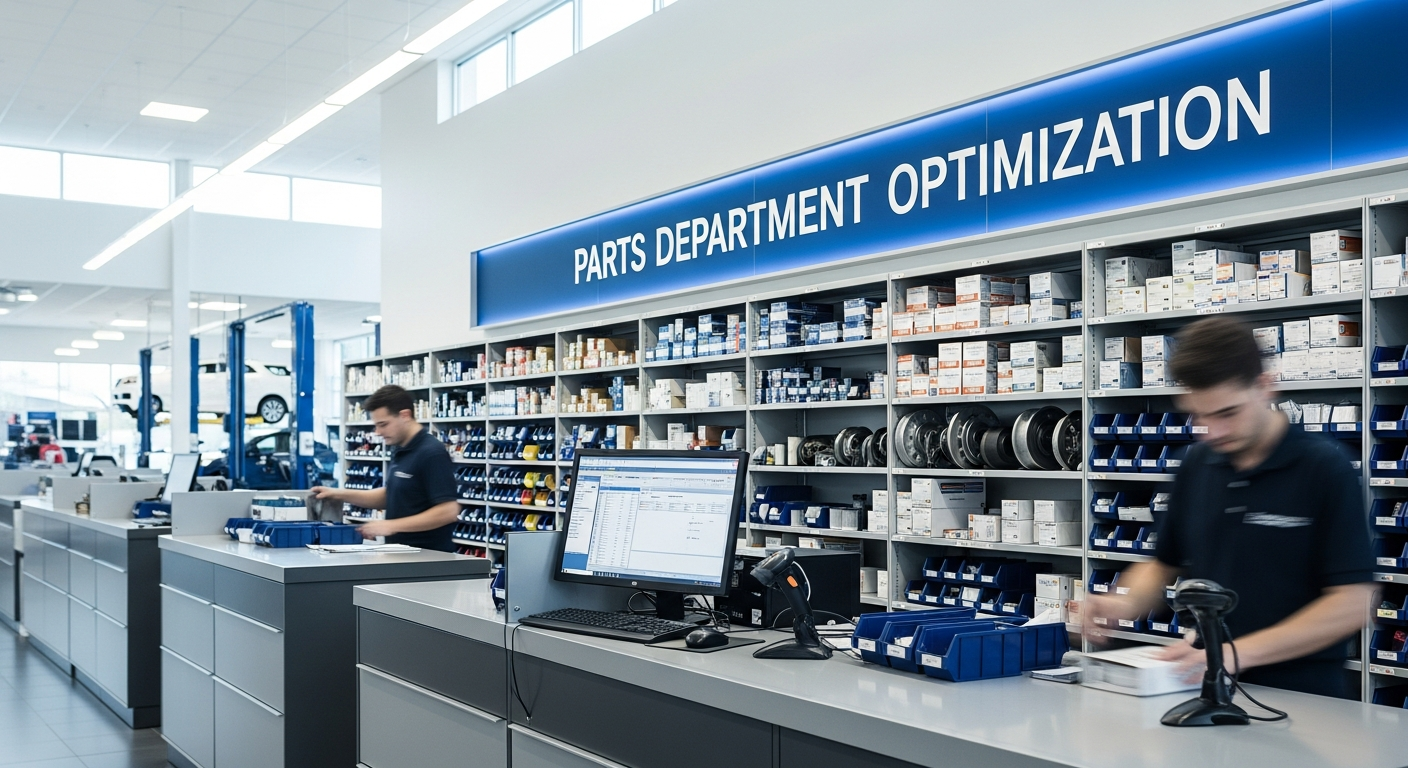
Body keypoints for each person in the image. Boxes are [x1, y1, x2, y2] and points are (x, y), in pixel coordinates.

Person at [1084, 316, 1376, 699]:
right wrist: (1119, 602)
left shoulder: (1324, 468)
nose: (1212, 432)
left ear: (1265, 387)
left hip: (1300, 699)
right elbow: (1163, 564)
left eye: (1227, 413)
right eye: (1200, 415)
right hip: (1202, 687)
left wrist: (1236, 653)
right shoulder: (1197, 463)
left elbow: (1352, 602)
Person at [312, 384, 459, 551]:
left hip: (429, 559)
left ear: (405, 415)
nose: (378, 432)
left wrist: (390, 525)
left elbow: (448, 510)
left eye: (383, 424)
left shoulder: (431, 453)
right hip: (401, 554)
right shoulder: (401, 450)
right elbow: (392, 495)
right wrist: (338, 494)